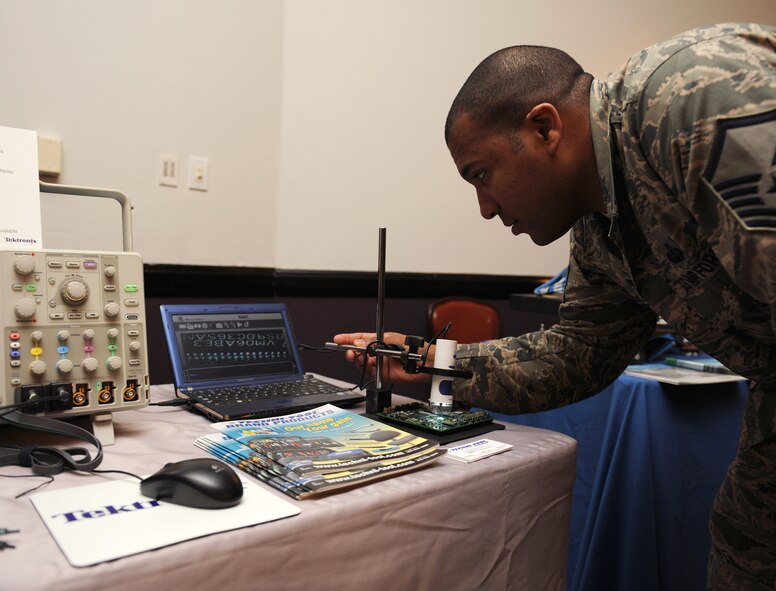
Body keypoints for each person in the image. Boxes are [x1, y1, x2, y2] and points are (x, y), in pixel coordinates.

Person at [334, 23, 776, 589]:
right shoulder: (598, 224)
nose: (485, 208)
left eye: (481, 174)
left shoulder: (689, 95)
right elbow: (580, 354)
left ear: (543, 127)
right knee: (749, 543)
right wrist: (426, 361)